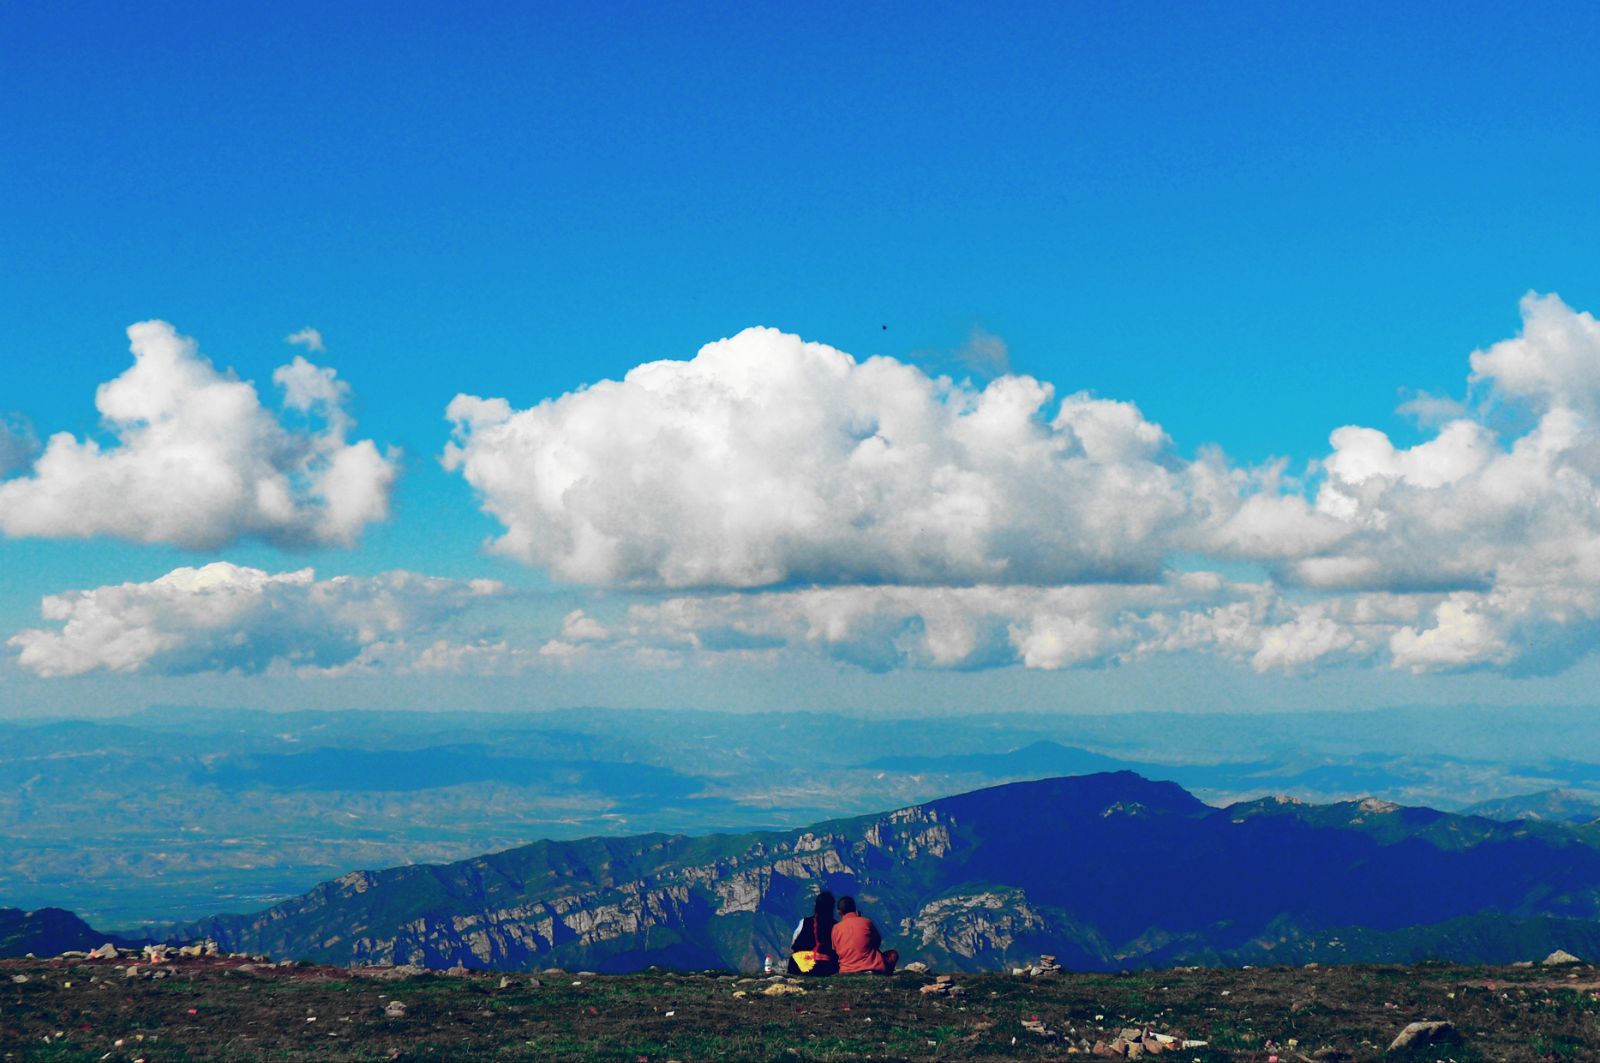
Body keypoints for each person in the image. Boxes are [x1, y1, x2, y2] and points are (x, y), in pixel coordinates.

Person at [830, 895, 899, 974]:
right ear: (855, 909)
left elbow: (835, 949)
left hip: (846, 970)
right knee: (893, 954)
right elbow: (877, 941)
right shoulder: (866, 922)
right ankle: (887, 973)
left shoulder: (836, 928)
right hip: (872, 966)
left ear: (839, 913)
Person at [787, 890, 839, 975]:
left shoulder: (804, 922)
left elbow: (794, 942)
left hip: (800, 965)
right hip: (825, 966)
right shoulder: (836, 926)